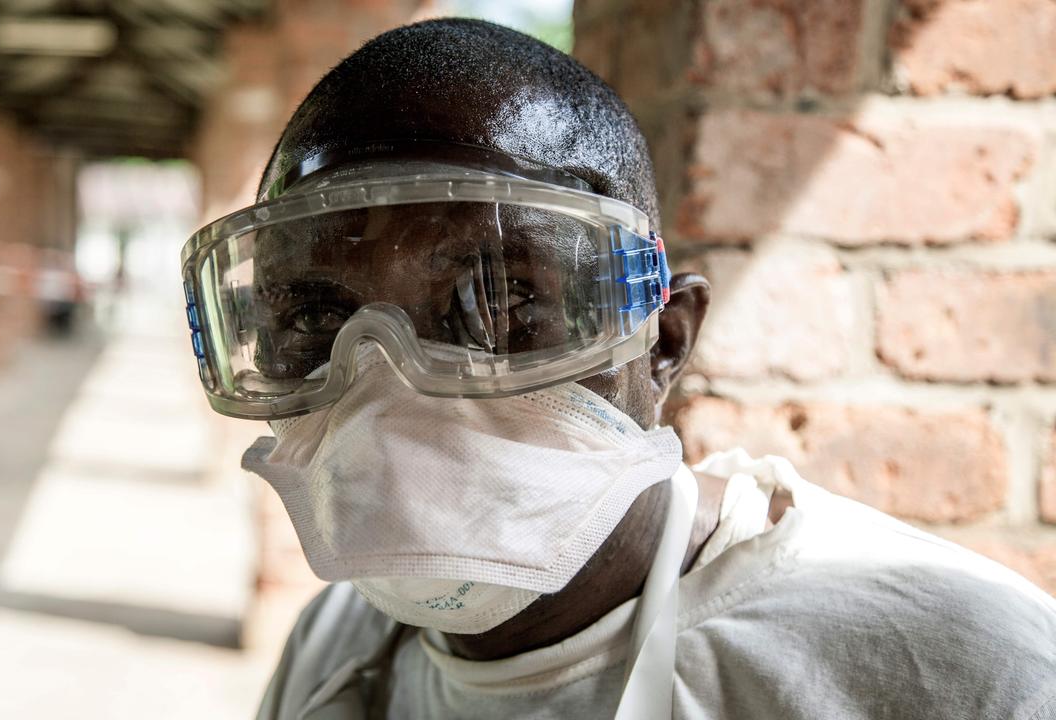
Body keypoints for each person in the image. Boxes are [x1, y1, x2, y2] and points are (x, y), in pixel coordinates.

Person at [178, 18, 1056, 719]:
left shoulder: (951, 671)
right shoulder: (339, 648)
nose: (390, 387)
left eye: (502, 301)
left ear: (664, 343)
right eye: (316, 317)